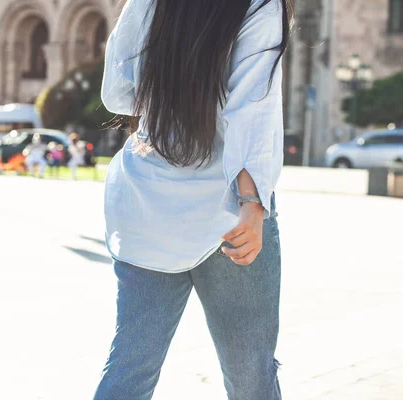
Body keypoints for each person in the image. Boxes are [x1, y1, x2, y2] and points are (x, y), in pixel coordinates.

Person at [94, 0, 292, 399]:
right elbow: (252, 105)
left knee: (129, 371)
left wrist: (173, 98)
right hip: (230, 214)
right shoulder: (260, 5)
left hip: (146, 207)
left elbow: (116, 92)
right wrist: (252, 204)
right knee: (251, 376)